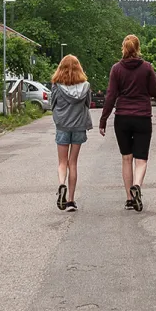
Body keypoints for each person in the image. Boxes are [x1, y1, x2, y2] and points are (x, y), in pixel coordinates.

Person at [98, 35, 156, 212]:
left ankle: (129, 199)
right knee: (141, 159)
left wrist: (103, 120)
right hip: (142, 116)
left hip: (122, 117)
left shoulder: (116, 69)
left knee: (126, 158)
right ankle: (137, 185)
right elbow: (154, 91)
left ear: (123, 48)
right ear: (138, 48)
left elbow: (110, 96)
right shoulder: (147, 68)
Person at [50, 55, 93, 213]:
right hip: (78, 126)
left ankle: (62, 184)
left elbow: (52, 104)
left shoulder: (56, 85)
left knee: (62, 162)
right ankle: (71, 201)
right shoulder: (86, 86)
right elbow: (88, 104)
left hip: (62, 126)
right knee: (73, 163)